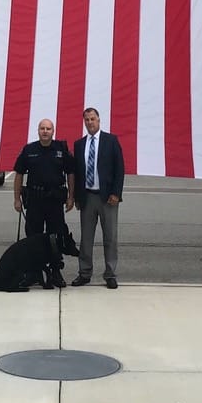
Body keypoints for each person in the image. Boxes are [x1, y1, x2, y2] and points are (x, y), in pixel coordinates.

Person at [13, 118, 76, 288]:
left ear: (53, 131)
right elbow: (19, 174)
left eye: (48, 128)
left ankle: (55, 272)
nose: (45, 131)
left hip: (55, 200)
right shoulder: (29, 150)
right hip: (35, 199)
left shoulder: (61, 149)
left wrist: (71, 197)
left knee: (55, 238)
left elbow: (70, 173)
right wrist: (16, 198)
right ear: (38, 131)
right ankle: (33, 273)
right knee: (34, 238)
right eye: (42, 128)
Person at [72, 107, 125, 289]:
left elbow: (119, 169)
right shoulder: (79, 145)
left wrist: (116, 194)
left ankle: (110, 274)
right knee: (86, 238)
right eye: (86, 120)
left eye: (92, 119)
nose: (89, 122)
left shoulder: (111, 141)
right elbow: (78, 173)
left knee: (110, 237)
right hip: (87, 197)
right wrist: (77, 197)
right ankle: (84, 273)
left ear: (99, 120)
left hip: (107, 198)